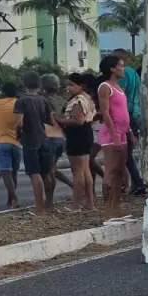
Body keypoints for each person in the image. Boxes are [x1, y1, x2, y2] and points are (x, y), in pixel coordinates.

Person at [95, 55, 134, 218]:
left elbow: (124, 113)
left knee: (119, 172)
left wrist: (129, 133)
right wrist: (114, 136)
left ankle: (116, 207)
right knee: (111, 171)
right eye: (120, 66)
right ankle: (108, 211)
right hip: (112, 135)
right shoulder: (105, 87)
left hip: (123, 133)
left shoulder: (118, 87)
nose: (123, 69)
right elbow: (105, 112)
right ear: (112, 69)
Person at [16, 71, 59, 214]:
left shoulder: (21, 100)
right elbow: (52, 122)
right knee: (46, 173)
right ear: (39, 85)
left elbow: (20, 123)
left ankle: (39, 208)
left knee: (34, 174)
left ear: (24, 85)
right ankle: (49, 205)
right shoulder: (44, 100)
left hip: (30, 140)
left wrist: (18, 135)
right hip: (44, 139)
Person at [57, 73, 98, 211]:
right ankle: (89, 203)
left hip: (77, 135)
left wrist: (60, 120)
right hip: (86, 134)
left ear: (80, 85)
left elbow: (78, 121)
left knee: (78, 171)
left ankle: (76, 205)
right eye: (67, 84)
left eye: (71, 85)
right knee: (85, 169)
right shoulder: (86, 97)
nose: (68, 88)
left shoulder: (78, 100)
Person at [113, 50, 147, 195]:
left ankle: (138, 184)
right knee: (127, 153)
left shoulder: (124, 74)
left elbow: (121, 92)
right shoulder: (133, 72)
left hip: (128, 113)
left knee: (124, 153)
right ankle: (135, 184)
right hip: (136, 112)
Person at [0, 82, 21, 209]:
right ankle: (10, 199)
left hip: (1, 142)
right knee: (14, 173)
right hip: (17, 143)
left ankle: (15, 198)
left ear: (3, 92)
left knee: (5, 172)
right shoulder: (19, 104)